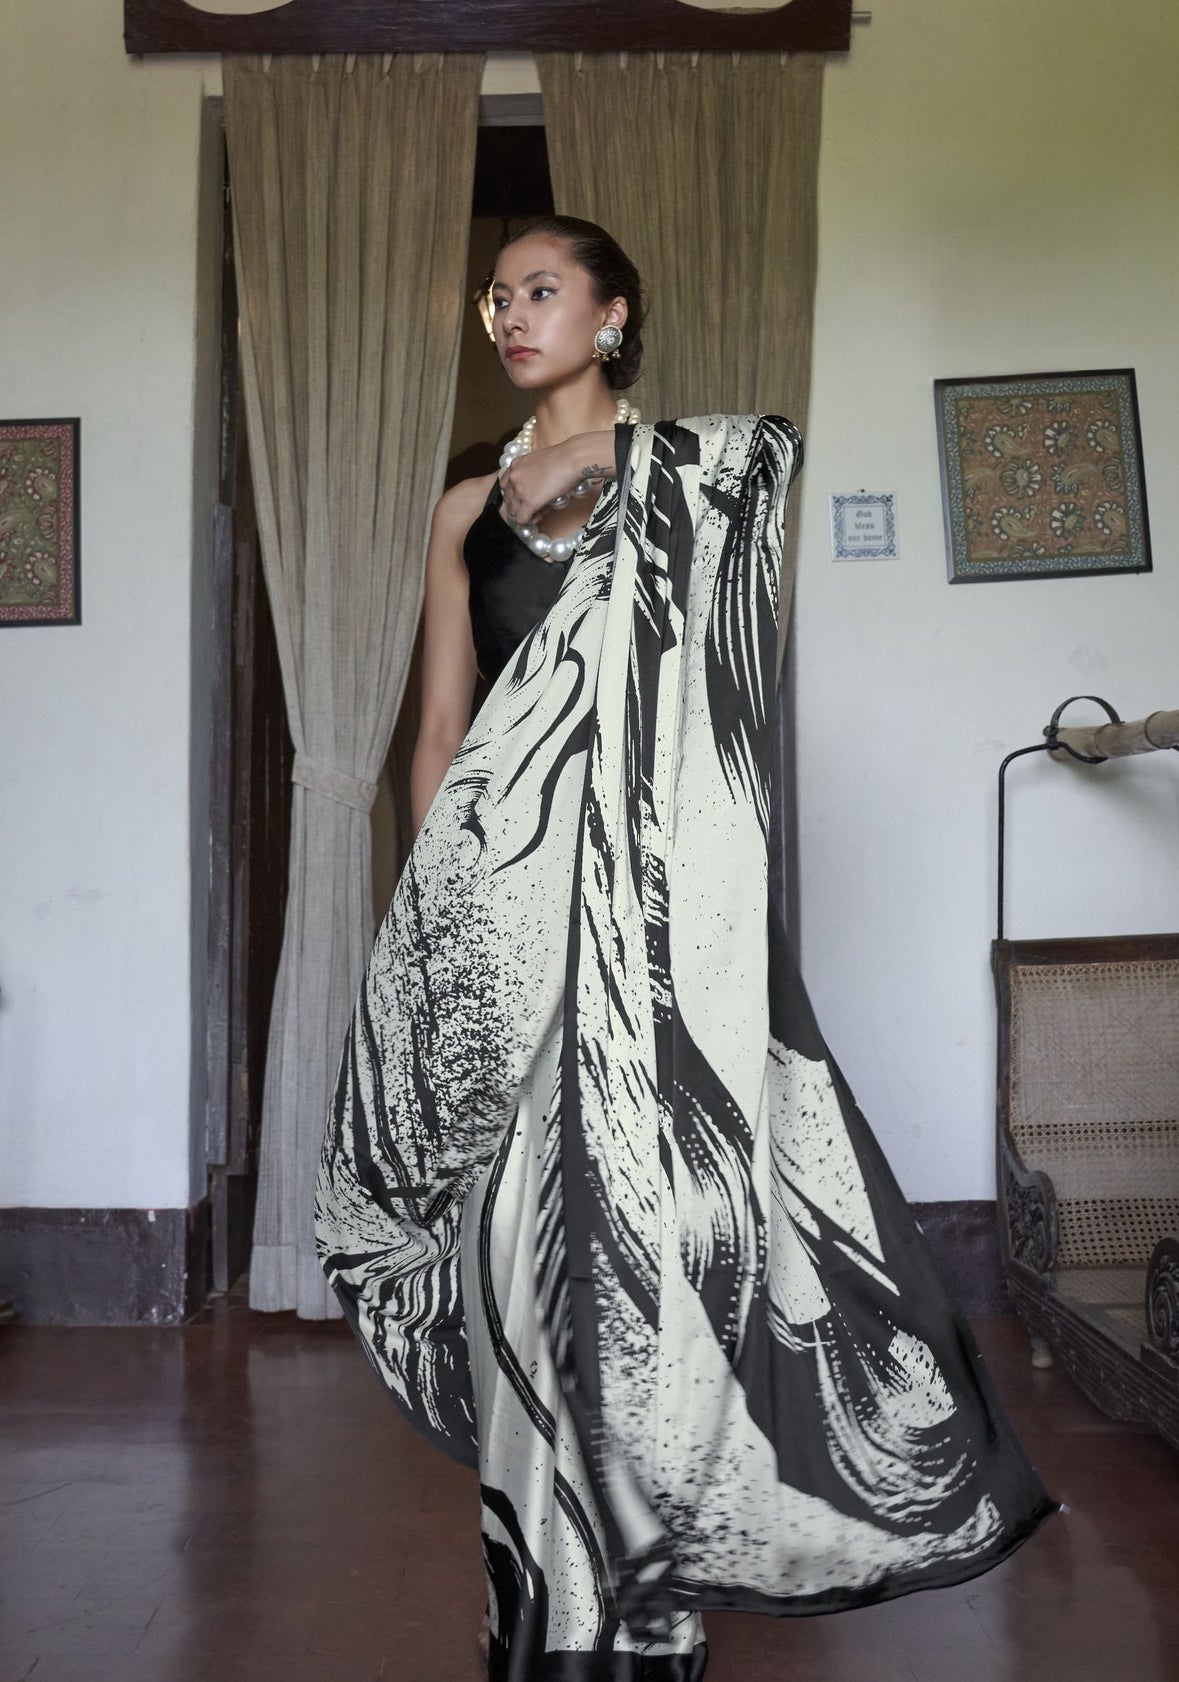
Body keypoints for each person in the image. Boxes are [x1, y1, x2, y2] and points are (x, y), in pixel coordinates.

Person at [314, 216, 1063, 1682]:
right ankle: (545, 1611)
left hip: (658, 951)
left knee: (652, 1269)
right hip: (504, 942)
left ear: (612, 314)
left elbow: (717, 724)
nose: (512, 314)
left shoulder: (706, 481)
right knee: (529, 1280)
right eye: (499, 295)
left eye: (542, 291)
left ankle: (647, 1614)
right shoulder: (465, 505)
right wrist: (434, 927)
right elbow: (447, 735)